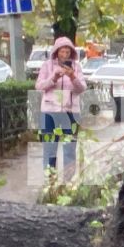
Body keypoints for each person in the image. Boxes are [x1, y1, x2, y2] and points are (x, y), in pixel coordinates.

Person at [34, 36, 86, 176]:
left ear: (71, 53)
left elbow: (81, 88)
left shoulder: (76, 67)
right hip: (50, 113)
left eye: (67, 52)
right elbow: (39, 86)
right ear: (56, 52)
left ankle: (68, 184)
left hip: (71, 113)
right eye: (62, 52)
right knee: (49, 149)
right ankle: (50, 183)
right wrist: (54, 78)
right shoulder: (47, 66)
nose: (64, 55)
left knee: (70, 150)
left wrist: (72, 77)